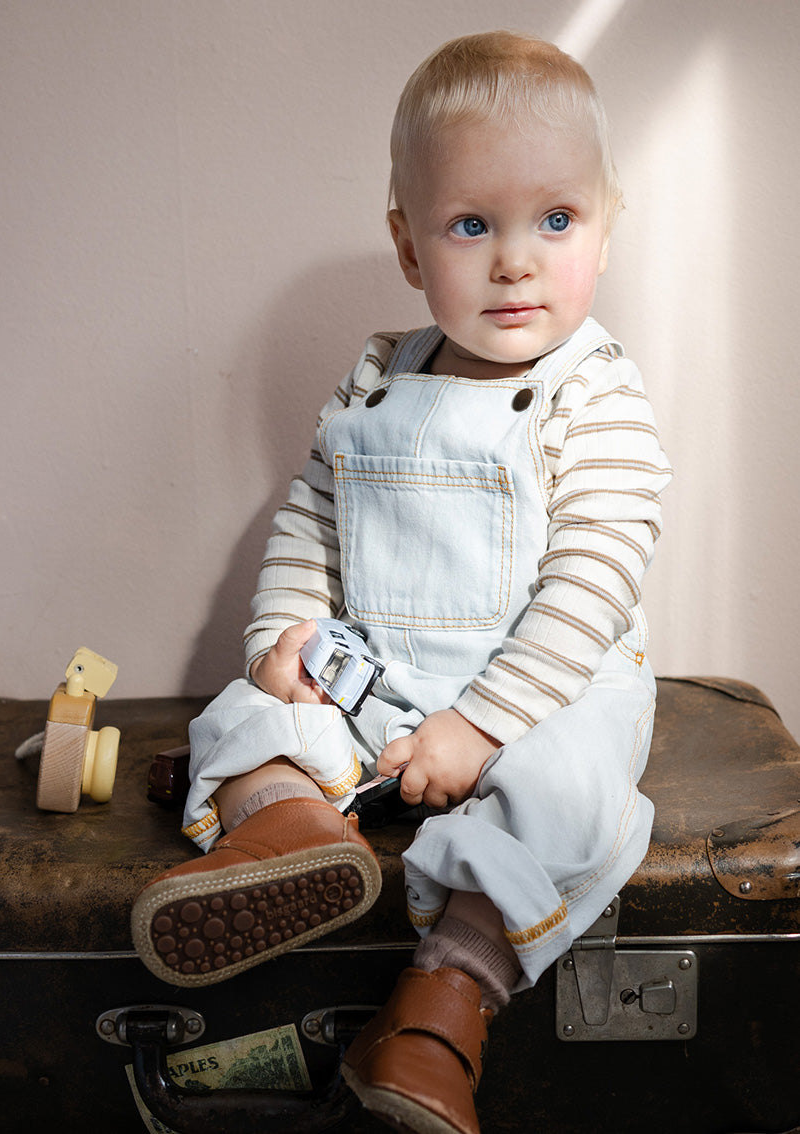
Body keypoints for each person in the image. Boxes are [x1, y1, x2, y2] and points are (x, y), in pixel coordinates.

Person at [132, 30, 671, 1134]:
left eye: (555, 220)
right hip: (386, 678)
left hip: (542, 693)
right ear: (408, 246)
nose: (514, 261)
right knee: (247, 713)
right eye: (471, 225)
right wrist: (284, 637)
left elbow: (592, 582)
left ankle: (443, 1001)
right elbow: (312, 515)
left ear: (605, 230)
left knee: (574, 791)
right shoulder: (380, 375)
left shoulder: (596, 395)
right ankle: (290, 835)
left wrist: (482, 725)